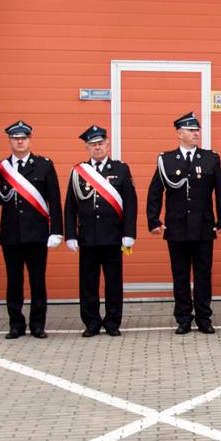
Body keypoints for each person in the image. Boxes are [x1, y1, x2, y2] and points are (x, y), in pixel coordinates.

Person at [147, 112, 221, 335]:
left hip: (203, 226)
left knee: (203, 275)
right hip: (177, 228)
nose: (196, 134)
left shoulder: (210, 158)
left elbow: (220, 191)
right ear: (179, 134)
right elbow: (155, 191)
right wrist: (153, 220)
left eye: (197, 130)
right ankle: (183, 318)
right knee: (180, 275)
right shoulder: (166, 159)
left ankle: (204, 318)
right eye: (191, 131)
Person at [64, 124, 136, 338]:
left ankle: (113, 322)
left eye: (100, 144)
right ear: (87, 147)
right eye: (92, 145)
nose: (97, 148)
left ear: (107, 144)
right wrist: (71, 235)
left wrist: (129, 233)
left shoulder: (121, 169)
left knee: (114, 282)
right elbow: (70, 205)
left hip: (113, 237)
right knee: (88, 282)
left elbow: (131, 204)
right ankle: (91, 322)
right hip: (88, 237)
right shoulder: (79, 172)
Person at [0, 120, 63, 339]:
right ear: (10, 141)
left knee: (37, 281)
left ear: (30, 139)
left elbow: (54, 199)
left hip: (37, 234)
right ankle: (16, 324)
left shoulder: (44, 165)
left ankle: (37, 324)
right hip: (11, 234)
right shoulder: (1, 168)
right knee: (14, 281)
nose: (20, 142)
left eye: (23, 138)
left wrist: (56, 231)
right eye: (15, 138)